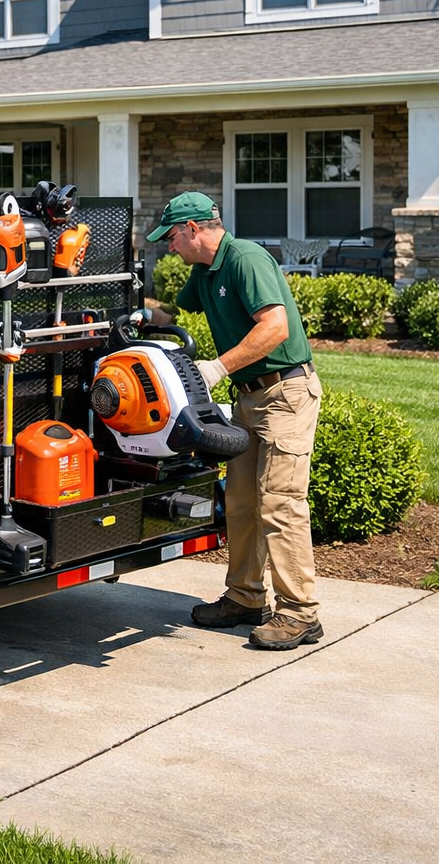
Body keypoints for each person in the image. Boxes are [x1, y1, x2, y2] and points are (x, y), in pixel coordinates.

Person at [142, 192, 323, 650]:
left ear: (194, 229)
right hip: (248, 399)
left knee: (279, 504)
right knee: (241, 502)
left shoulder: (245, 258)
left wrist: (218, 367)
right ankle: (245, 597)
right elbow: (171, 313)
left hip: (285, 393)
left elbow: (275, 327)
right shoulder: (205, 271)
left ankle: (300, 613)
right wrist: (135, 314)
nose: (169, 247)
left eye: (171, 238)